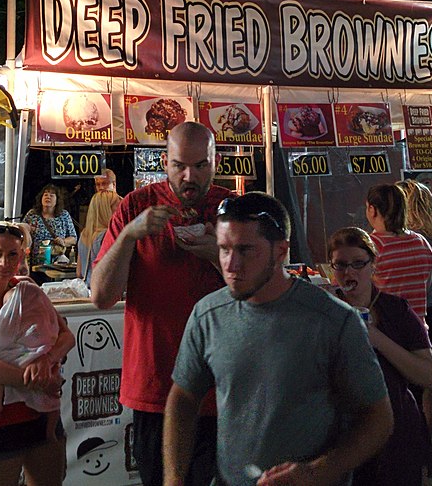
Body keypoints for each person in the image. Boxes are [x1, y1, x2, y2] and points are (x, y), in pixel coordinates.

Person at [164, 193, 393, 486]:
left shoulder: (333, 321)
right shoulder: (208, 315)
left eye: (246, 250)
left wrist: (318, 471)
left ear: (280, 251)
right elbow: (183, 396)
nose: (231, 264)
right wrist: (173, 478)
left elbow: (378, 417)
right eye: (223, 249)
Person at [91, 121, 232, 486]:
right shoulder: (136, 206)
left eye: (201, 165)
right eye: (179, 165)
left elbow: (264, 292)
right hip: (156, 388)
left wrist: (218, 255)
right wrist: (130, 235)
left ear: (216, 162)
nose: (190, 176)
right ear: (164, 162)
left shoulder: (232, 210)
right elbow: (101, 297)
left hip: (225, 386)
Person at [0, 219, 74, 486]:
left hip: (40, 418)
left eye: (13, 254)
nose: (4, 262)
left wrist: (46, 360)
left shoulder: (26, 288)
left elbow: (65, 335)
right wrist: (42, 379)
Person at [328, 226, 432, 485]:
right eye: (340, 265)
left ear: (373, 265)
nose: (349, 272)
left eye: (357, 264)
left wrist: (376, 338)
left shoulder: (395, 310)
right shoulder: (326, 313)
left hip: (398, 433)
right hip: (346, 436)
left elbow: (428, 375)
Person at [395, 178, 432, 449]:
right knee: (428, 385)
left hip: (411, 314)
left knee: (406, 385)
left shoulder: (405, 240)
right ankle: (427, 447)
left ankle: (413, 448)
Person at [365, 183, 432, 323]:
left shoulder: (372, 244)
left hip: (387, 331)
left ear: (372, 210)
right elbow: (426, 286)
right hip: (418, 330)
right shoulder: (421, 242)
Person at [24, 185, 78, 270]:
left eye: (52, 195)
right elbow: (22, 235)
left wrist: (63, 241)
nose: (48, 197)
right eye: (45, 195)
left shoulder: (64, 215)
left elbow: (74, 238)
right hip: (35, 265)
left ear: (57, 200)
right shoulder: (32, 215)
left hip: (58, 264)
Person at [78, 185, 122, 283]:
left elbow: (79, 272)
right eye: (118, 206)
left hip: (88, 288)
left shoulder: (84, 234)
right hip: (106, 292)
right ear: (107, 209)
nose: (121, 211)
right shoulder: (108, 235)